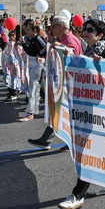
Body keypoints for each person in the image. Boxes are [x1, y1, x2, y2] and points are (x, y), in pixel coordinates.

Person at [58, 19, 105, 209]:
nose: (85, 32)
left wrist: (103, 66)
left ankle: (78, 194)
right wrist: (71, 57)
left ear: (100, 35)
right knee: (101, 147)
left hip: (99, 110)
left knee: (86, 150)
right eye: (84, 28)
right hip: (88, 108)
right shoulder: (88, 51)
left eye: (90, 30)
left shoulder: (104, 52)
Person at [28, 15, 82, 149]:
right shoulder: (63, 39)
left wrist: (61, 46)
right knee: (60, 111)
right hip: (64, 83)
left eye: (53, 26)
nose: (51, 29)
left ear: (61, 27)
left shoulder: (69, 40)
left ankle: (69, 142)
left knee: (64, 112)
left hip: (70, 84)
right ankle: (48, 139)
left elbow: (74, 58)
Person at [18, 20, 47, 121]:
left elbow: (46, 47)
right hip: (32, 64)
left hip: (37, 65)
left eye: (28, 30)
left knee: (34, 88)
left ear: (35, 30)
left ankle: (31, 112)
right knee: (38, 88)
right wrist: (23, 44)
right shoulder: (31, 39)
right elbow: (29, 51)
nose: (27, 32)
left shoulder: (38, 38)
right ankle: (40, 110)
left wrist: (40, 55)